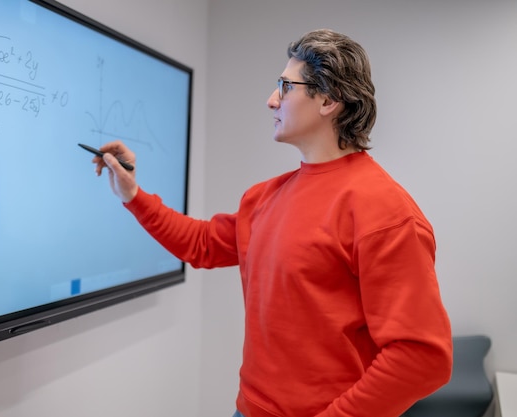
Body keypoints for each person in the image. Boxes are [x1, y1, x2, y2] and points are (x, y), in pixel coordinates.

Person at [91, 29, 452, 417]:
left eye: (285, 86)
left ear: (329, 99)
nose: (271, 100)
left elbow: (421, 356)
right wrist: (132, 193)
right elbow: (201, 244)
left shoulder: (385, 213)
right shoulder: (264, 198)